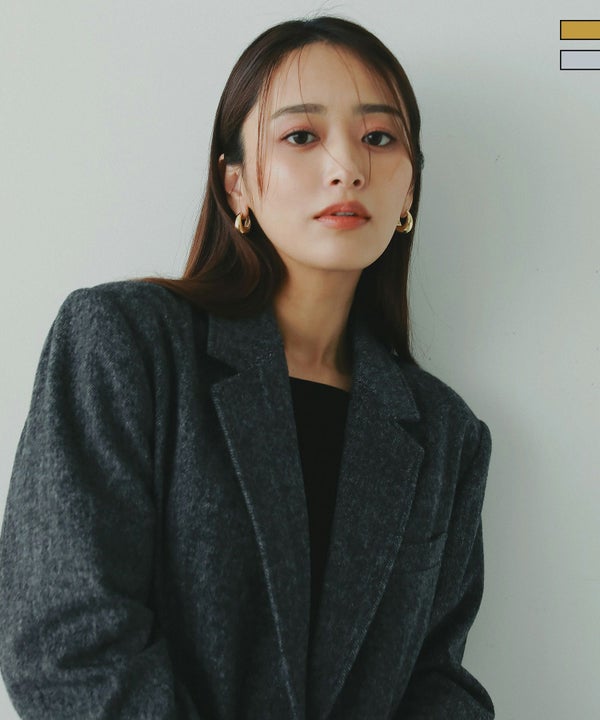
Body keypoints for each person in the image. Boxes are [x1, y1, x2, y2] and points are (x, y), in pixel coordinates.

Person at [0, 16, 494, 720]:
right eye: (301, 136)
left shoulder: (446, 434)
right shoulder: (125, 344)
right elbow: (67, 642)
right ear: (236, 185)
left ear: (409, 191)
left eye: (379, 138)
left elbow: (439, 679)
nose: (347, 167)